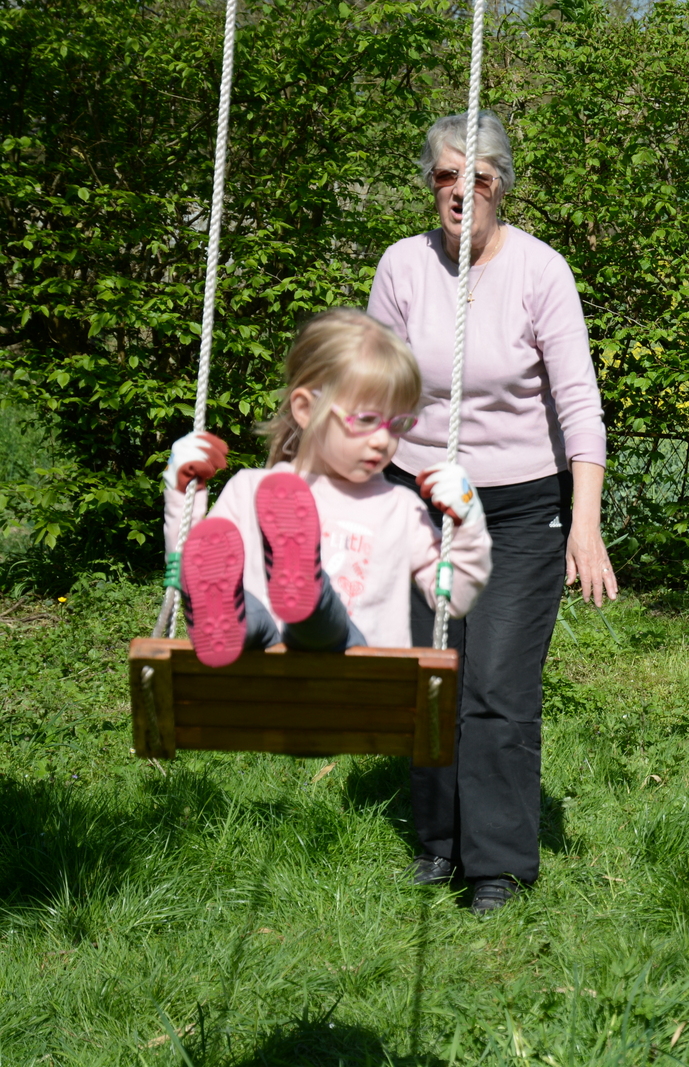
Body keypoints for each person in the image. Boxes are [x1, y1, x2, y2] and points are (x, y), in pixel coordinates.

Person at [367, 110, 615, 916]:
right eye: (446, 175)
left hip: (518, 507)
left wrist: (585, 525)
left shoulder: (541, 271)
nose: (459, 192)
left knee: (497, 684)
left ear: (500, 184)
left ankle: (499, 863)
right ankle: (441, 841)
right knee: (431, 676)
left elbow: (578, 402)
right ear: (429, 185)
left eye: (475, 177)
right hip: (419, 499)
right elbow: (375, 393)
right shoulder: (403, 266)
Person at [163, 309, 491, 668]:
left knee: (322, 623)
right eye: (366, 420)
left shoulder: (400, 508)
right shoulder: (252, 490)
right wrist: (182, 493)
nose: (383, 440)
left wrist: (468, 524)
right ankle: (235, 622)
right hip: (265, 675)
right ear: (306, 409)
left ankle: (308, 592)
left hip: (356, 677)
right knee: (241, 609)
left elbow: (453, 598)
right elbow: (193, 570)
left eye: (397, 424)